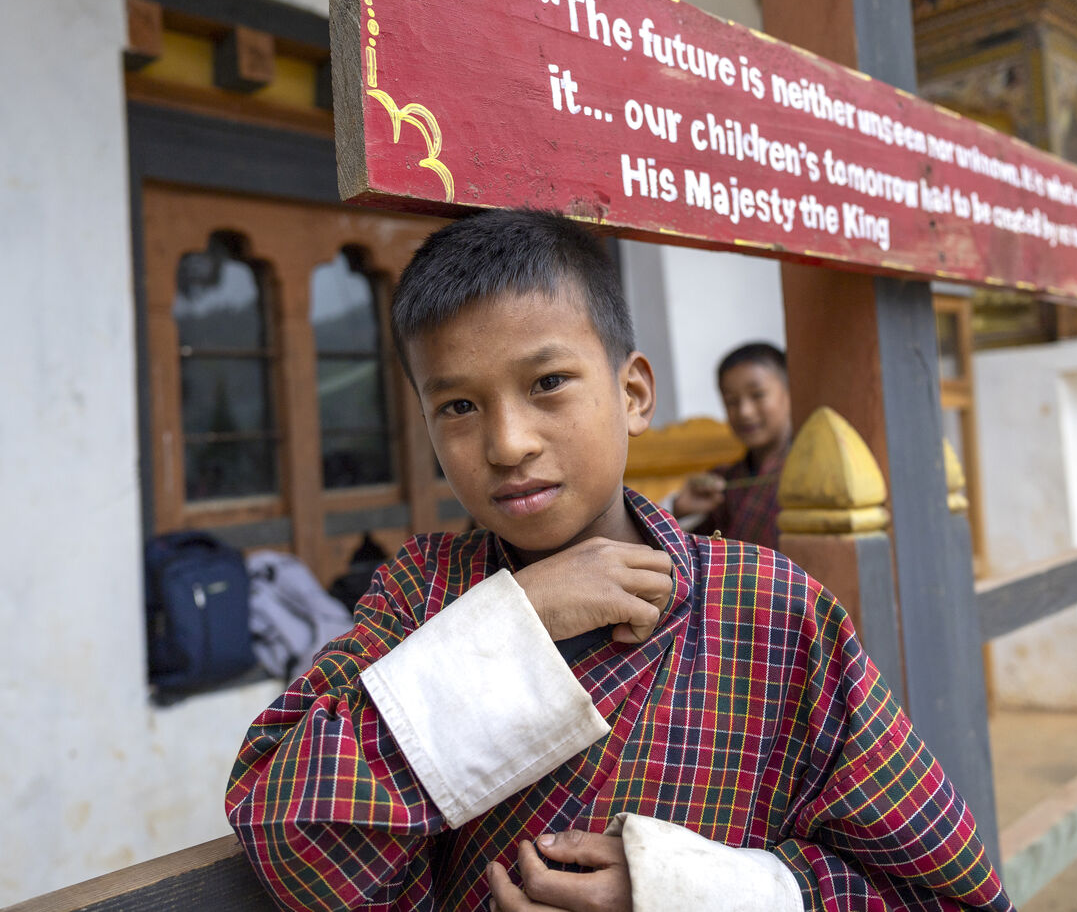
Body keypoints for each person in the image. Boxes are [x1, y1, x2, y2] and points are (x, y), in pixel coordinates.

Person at [225, 210, 1013, 912]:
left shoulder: (769, 608)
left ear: (633, 393)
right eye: (458, 406)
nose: (508, 443)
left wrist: (691, 891)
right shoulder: (420, 594)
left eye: (548, 383)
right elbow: (285, 831)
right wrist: (520, 623)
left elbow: (942, 894)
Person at [672, 343, 792, 550]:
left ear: (790, 392)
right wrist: (679, 510)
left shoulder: (808, 473)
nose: (744, 411)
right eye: (731, 401)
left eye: (758, 395)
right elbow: (694, 553)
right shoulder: (724, 483)